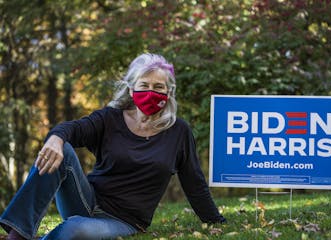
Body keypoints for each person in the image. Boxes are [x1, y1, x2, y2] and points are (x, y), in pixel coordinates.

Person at [0, 53, 226, 240]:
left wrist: (216, 221)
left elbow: (194, 183)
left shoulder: (179, 131)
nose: (151, 92)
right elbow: (73, 129)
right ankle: (17, 235)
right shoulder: (110, 119)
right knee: (63, 148)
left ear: (168, 94)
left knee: (75, 229)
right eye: (144, 85)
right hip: (86, 200)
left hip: (124, 221)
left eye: (158, 87)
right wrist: (55, 139)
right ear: (131, 90)